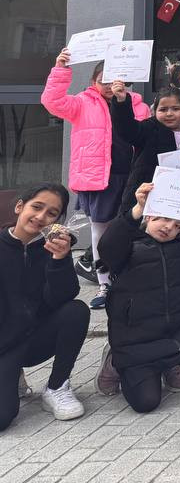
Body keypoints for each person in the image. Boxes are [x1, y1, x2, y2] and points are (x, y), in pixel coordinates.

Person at [95, 182, 180, 412]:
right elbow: (107, 246)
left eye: (177, 225)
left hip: (179, 330)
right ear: (149, 216)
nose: (169, 227)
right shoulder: (126, 246)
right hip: (136, 340)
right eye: (164, 219)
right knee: (145, 403)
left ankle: (170, 363)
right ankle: (114, 361)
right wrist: (136, 209)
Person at [41, 49, 149, 309]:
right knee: (100, 230)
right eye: (103, 81)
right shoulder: (82, 102)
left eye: (114, 80)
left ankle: (131, 279)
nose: (109, 86)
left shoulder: (139, 105)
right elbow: (52, 101)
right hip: (98, 178)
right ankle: (104, 282)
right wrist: (61, 69)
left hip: (132, 176)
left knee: (135, 228)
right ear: (93, 82)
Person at [0, 183, 89, 429]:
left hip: (35, 338)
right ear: (20, 207)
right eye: (36, 207)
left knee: (76, 310)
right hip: (4, 345)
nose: (41, 217)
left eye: (51, 213)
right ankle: (12, 376)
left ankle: (57, 387)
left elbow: (62, 298)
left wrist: (60, 260)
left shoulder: (52, 248)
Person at [113, 85, 180, 216]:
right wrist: (122, 102)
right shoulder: (149, 129)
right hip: (149, 195)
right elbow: (127, 128)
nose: (169, 113)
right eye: (163, 109)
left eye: (175, 109)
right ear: (154, 112)